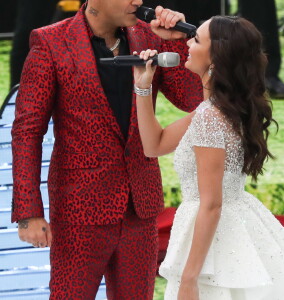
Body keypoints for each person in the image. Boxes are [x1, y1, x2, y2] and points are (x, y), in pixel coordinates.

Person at [11, 1, 202, 299]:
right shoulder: (51, 42)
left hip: (140, 205)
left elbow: (191, 98)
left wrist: (177, 44)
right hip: (79, 208)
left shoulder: (150, 36)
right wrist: (29, 212)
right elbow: (27, 131)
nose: (137, 2)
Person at [133, 16, 284, 299]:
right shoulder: (215, 110)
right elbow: (154, 145)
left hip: (215, 236)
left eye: (196, 39)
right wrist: (143, 87)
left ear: (215, 59)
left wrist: (189, 279)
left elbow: (211, 204)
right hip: (233, 223)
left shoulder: (210, 117)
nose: (187, 43)